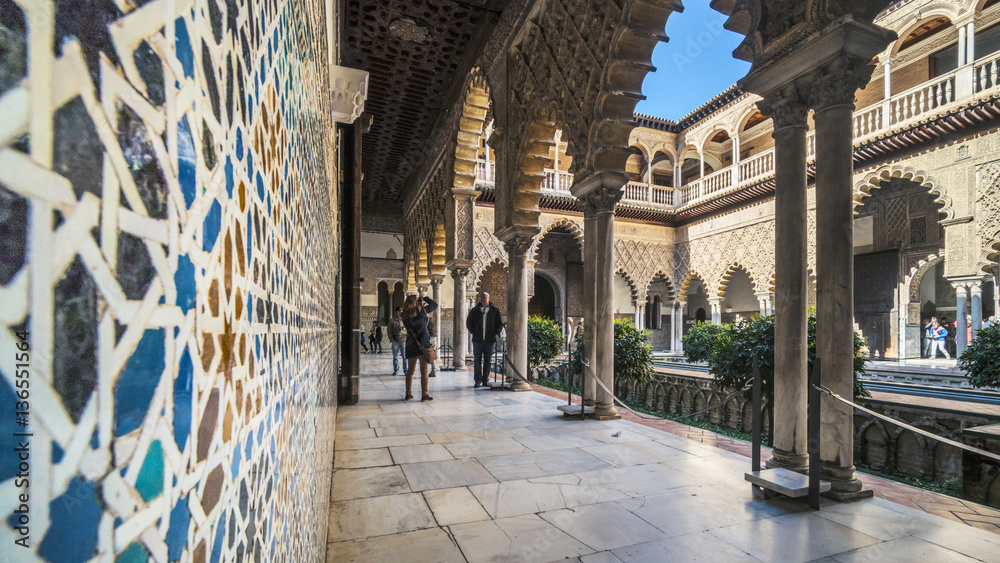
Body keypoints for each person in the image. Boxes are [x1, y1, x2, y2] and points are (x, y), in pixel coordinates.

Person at [402, 294, 437, 401]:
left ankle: (408, 394)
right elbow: (434, 305)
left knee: (410, 371)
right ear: (416, 301)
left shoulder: (404, 315)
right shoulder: (422, 311)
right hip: (423, 344)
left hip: (411, 344)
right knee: (424, 371)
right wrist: (425, 298)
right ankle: (424, 395)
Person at [465, 291, 504, 388]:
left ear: (488, 299)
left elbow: (499, 324)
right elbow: (469, 322)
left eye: (484, 298)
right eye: (481, 297)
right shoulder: (474, 310)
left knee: (488, 360)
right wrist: (474, 332)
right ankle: (477, 380)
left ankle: (485, 379)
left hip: (489, 340)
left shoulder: (494, 310)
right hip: (477, 340)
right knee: (477, 361)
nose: (482, 299)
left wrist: (494, 333)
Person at [388, 307, 408, 375]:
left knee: (405, 356)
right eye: (400, 311)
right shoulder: (392, 320)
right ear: (397, 312)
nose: (402, 312)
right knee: (395, 357)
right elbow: (389, 331)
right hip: (395, 340)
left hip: (404, 340)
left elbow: (408, 329)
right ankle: (396, 370)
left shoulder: (405, 320)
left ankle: (406, 370)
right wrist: (392, 339)